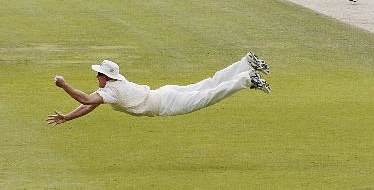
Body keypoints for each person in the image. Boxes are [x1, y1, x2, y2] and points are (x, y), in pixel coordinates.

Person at [46, 53, 270, 124]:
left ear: (107, 76)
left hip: (165, 103)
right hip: (163, 93)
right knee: (208, 84)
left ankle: (247, 79)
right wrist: (67, 117)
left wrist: (63, 84)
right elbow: (90, 105)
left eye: (99, 74)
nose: (96, 76)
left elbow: (85, 100)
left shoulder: (111, 91)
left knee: (209, 95)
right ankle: (245, 63)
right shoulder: (113, 87)